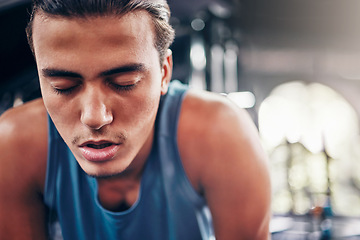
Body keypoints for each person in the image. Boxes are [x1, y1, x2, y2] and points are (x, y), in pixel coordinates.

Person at [0, 0, 271, 239]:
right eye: (63, 86)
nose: (95, 117)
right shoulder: (15, 144)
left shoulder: (221, 134)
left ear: (164, 73)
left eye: (124, 83)